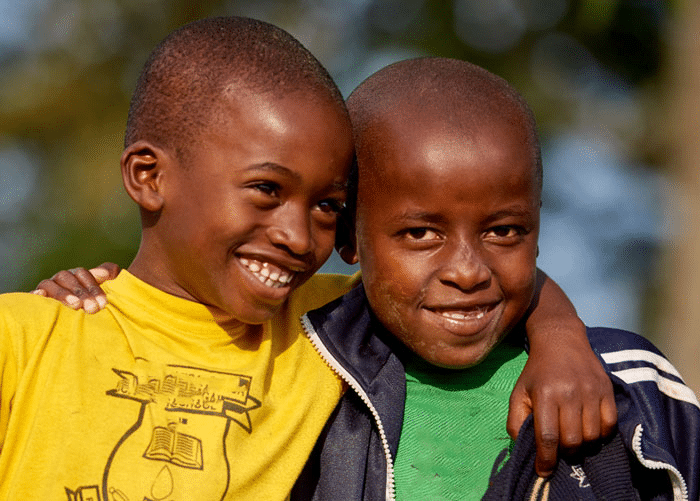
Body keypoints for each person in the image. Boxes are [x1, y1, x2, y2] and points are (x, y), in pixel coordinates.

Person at [17, 18, 616, 501]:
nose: (300, 238)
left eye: (328, 205)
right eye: (267, 191)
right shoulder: (27, 339)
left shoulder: (324, 327)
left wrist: (563, 339)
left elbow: (478, 274)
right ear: (149, 176)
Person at [286, 58, 699, 500]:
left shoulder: (627, 387)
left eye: (503, 231)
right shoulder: (295, 367)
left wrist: (560, 332)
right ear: (349, 238)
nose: (467, 271)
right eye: (421, 233)